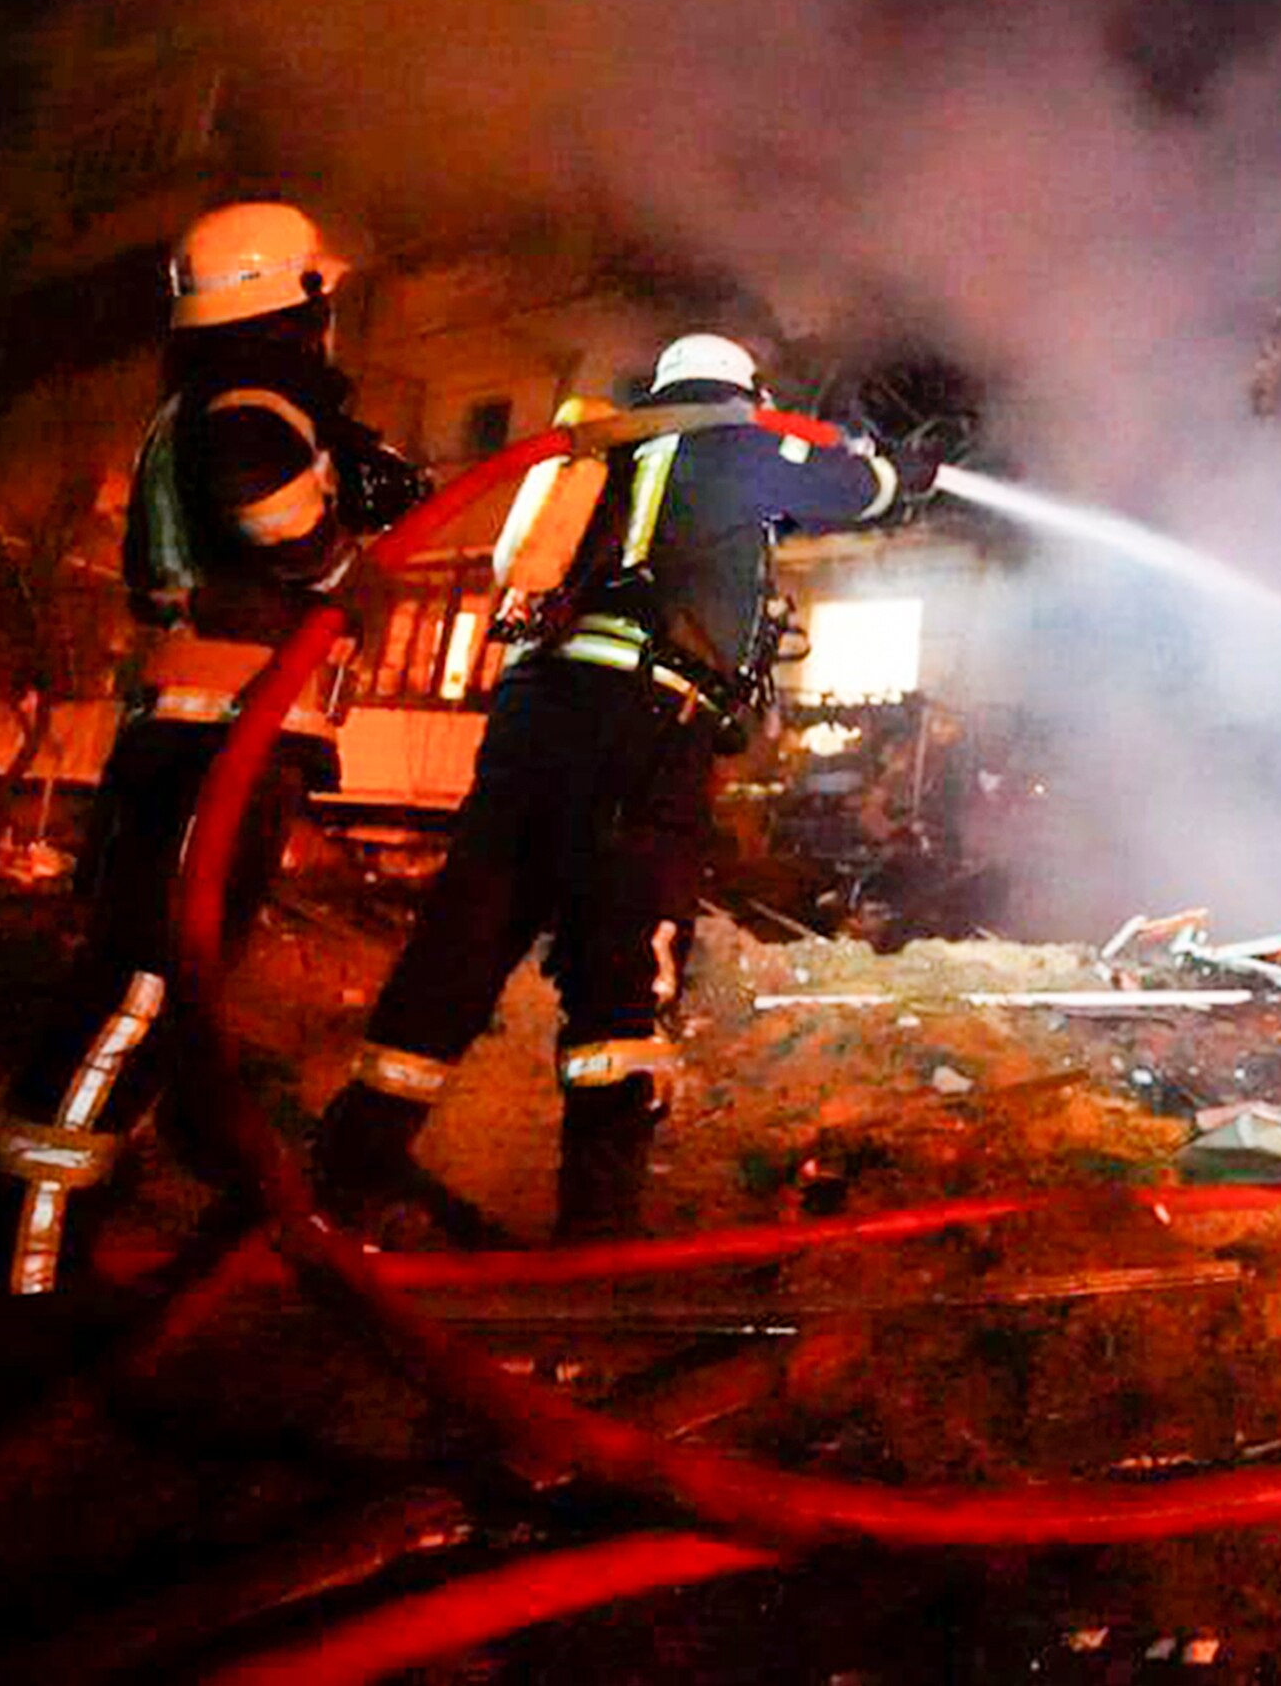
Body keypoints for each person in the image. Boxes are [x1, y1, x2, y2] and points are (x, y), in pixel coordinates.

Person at [312, 331, 929, 1240]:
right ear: (743, 391)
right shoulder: (743, 440)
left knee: (466, 936)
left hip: (531, 714)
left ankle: (347, 1173)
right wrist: (897, 466)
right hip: (639, 729)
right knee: (620, 968)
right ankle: (596, 1239)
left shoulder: (603, 449)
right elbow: (859, 493)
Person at [0, 199, 426, 1297]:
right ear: (298, 300)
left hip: (216, 731)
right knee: (142, 980)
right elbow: (258, 487)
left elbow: (316, 479)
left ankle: (104, 1189)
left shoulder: (230, 397)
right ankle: (27, 1252)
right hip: (216, 733)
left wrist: (363, 476)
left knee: (174, 975)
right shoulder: (245, 400)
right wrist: (333, 566)